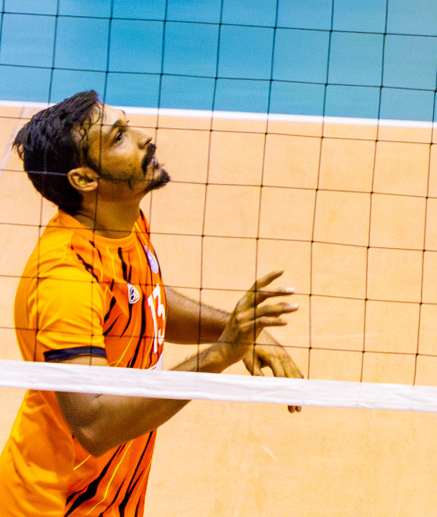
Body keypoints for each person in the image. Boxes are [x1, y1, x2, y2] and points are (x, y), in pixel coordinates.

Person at [0, 91, 304, 514]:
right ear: (85, 179)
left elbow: (143, 300)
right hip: (55, 505)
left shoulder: (120, 220)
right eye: (120, 137)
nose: (146, 137)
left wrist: (232, 328)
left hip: (111, 497)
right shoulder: (65, 278)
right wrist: (218, 356)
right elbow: (94, 424)